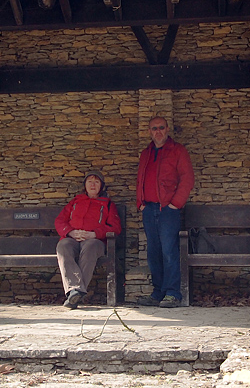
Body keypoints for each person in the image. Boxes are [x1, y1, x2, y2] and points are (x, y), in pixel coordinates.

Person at [135, 116, 194, 308]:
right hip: (149, 209)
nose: (158, 131)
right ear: (149, 131)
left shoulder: (177, 151)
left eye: (161, 127)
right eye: (154, 128)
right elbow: (140, 179)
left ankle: (172, 293)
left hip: (168, 209)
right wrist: (140, 202)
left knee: (169, 251)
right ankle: (157, 292)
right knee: (153, 252)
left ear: (167, 129)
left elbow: (187, 178)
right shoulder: (146, 153)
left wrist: (175, 204)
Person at [54, 171, 122, 309]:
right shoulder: (75, 202)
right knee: (63, 246)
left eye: (96, 182)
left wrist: (94, 234)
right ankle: (76, 290)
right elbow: (60, 221)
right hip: (72, 238)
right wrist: (71, 232)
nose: (93, 184)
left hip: (94, 241)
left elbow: (115, 227)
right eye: (90, 181)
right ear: (85, 185)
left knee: (90, 247)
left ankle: (75, 292)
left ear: (101, 186)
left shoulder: (107, 204)